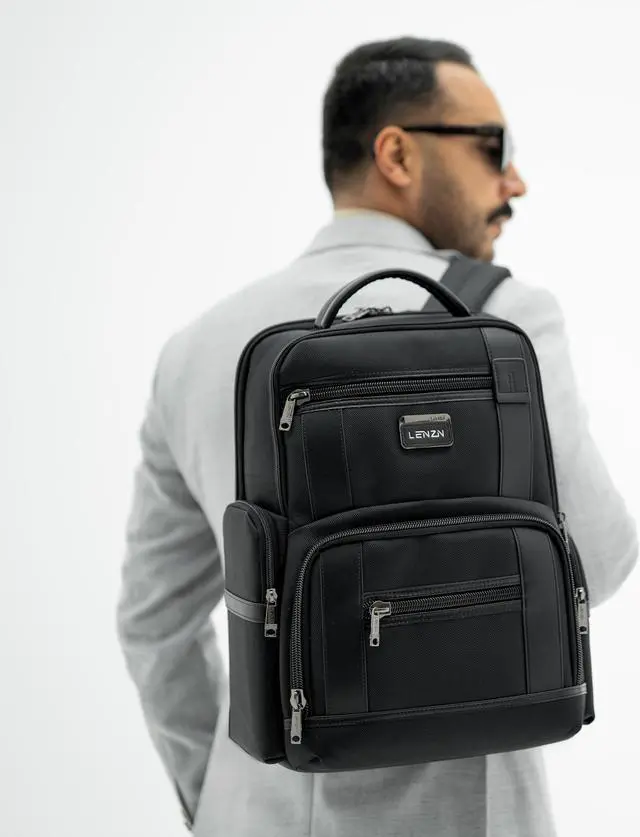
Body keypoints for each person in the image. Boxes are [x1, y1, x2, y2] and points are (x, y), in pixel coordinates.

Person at [116, 37, 638, 837]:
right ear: (396, 153)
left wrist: (216, 794)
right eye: (492, 147)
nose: (515, 181)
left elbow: (153, 625)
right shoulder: (503, 323)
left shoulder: (194, 350)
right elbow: (595, 559)